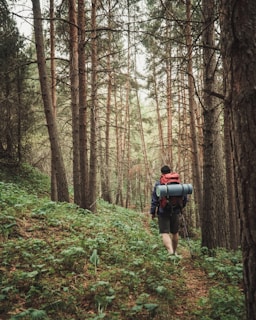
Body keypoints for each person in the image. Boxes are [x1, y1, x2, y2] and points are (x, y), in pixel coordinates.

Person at [150, 165, 187, 256]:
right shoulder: (177, 183)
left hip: (163, 211)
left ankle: (170, 252)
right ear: (170, 172)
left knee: (164, 232)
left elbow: (155, 199)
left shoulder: (159, 184)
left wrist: (153, 212)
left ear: (162, 173)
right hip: (176, 210)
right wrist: (181, 207)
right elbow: (184, 196)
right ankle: (175, 252)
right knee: (175, 232)